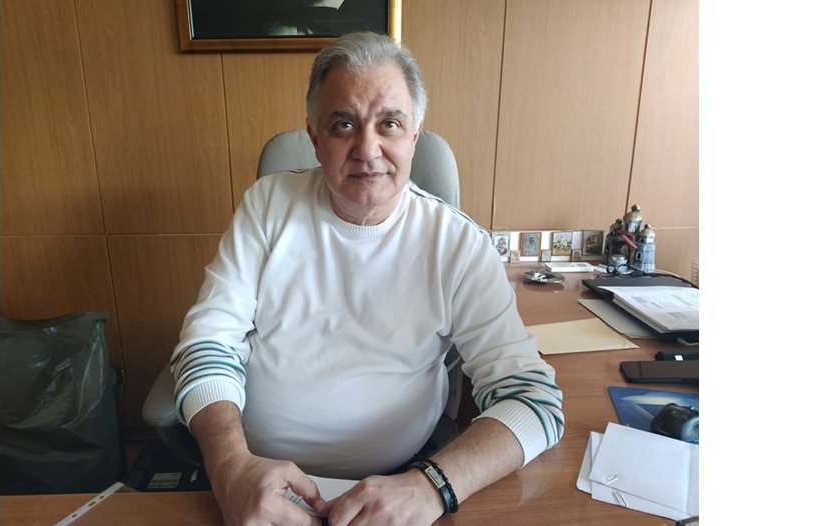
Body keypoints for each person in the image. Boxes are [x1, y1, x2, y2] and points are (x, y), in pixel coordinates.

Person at [169, 32, 564, 526]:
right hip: (255, 478)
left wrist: (433, 486)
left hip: (403, 487)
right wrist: (229, 467)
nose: (368, 149)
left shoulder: (458, 244)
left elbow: (533, 401)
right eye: (344, 125)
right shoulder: (267, 207)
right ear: (315, 138)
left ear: (415, 136)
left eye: (390, 124)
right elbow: (206, 343)